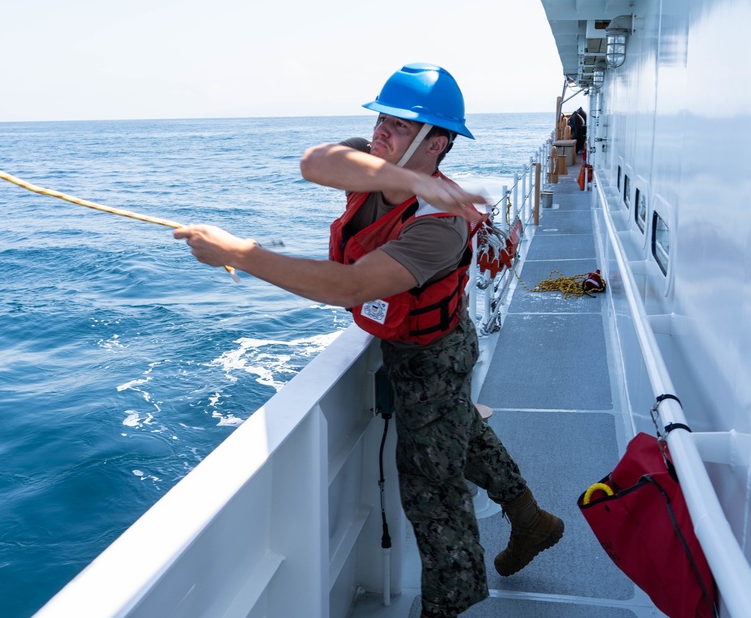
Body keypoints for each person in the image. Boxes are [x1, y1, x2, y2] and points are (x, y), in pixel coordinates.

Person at [174, 63, 563, 618]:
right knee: (460, 432)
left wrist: (239, 254)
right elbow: (314, 162)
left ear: (439, 144)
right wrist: (405, 178)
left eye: (402, 125)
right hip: (408, 339)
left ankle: (448, 607)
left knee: (431, 484)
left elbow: (350, 286)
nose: (382, 130)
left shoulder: (441, 224)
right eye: (383, 117)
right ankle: (532, 521)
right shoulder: (374, 161)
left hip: (434, 353)